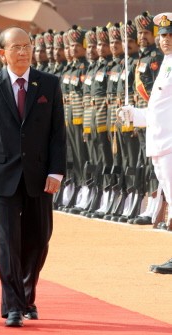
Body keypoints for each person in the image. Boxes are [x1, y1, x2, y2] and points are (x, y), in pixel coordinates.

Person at [0, 27, 66, 326]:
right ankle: (13, 306)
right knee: (8, 242)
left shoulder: (48, 84)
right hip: (2, 175)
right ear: (2, 53)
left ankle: (26, 295)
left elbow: (57, 133)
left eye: (27, 46)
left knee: (39, 239)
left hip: (40, 176)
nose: (23, 52)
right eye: (16, 47)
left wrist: (56, 171)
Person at [118, 12, 172, 274]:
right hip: (161, 143)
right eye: (162, 35)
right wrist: (135, 115)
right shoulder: (165, 64)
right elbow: (158, 109)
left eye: (170, 35)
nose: (166, 40)